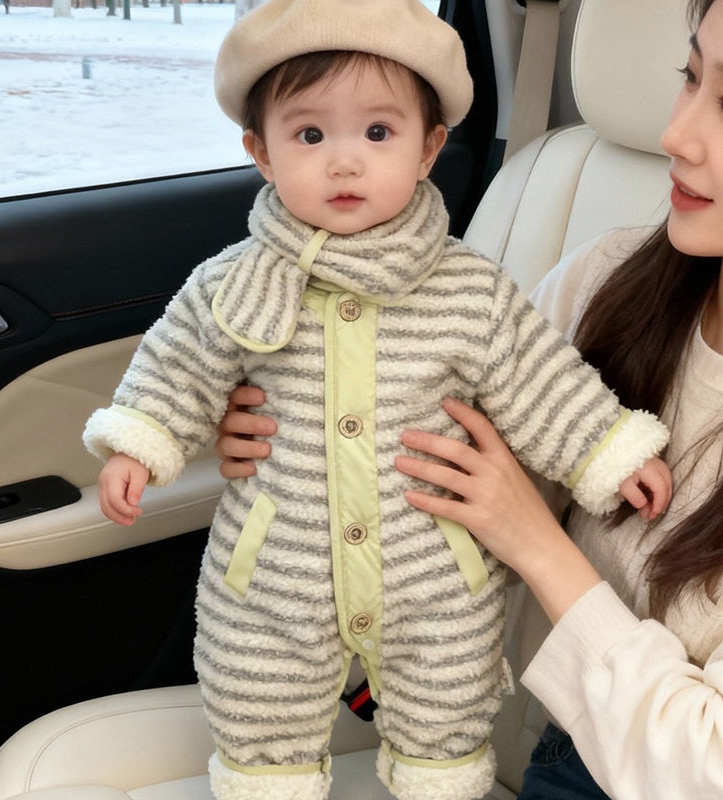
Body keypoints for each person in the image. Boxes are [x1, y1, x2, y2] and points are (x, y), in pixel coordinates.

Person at [84, 1, 670, 798]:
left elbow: (541, 380)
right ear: (260, 152)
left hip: (432, 574)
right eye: (309, 135)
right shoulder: (231, 284)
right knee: (257, 708)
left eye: (378, 132)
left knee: (445, 717)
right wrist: (139, 443)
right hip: (274, 573)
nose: (344, 163)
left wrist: (609, 453)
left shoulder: (469, 289)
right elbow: (175, 366)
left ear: (429, 148)